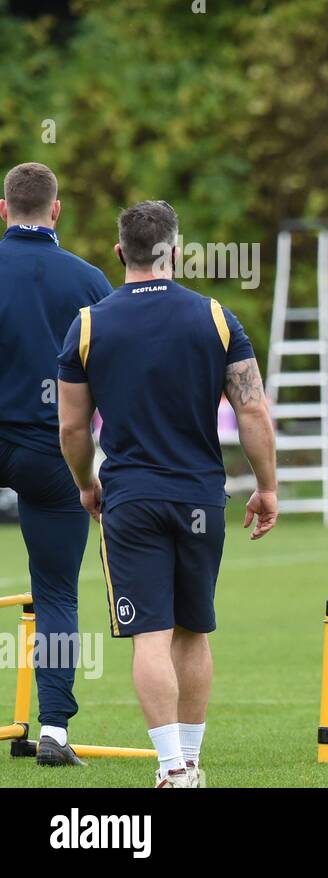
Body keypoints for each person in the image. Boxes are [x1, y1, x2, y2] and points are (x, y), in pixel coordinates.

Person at [57, 201, 278, 787]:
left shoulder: (88, 324)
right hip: (201, 498)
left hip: (130, 498)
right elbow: (252, 408)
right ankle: (193, 763)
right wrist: (268, 487)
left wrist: (85, 484)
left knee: (149, 634)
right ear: (176, 253)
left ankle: (171, 768)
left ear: (118, 253)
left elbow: (73, 428)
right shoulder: (215, 318)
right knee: (193, 629)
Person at [0, 162, 113, 765]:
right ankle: (54, 731)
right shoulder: (89, 279)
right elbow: (115, 369)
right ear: (56, 210)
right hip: (51, 449)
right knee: (56, 594)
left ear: (2, 209)